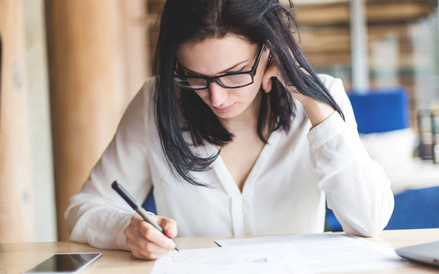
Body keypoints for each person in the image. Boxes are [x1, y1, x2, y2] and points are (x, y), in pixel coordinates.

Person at [65, 0, 394, 260]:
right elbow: (83, 210)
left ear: (269, 49)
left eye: (234, 74)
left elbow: (369, 220)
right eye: (194, 76)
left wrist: (316, 106)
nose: (216, 97)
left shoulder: (321, 98)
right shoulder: (156, 103)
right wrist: (128, 229)